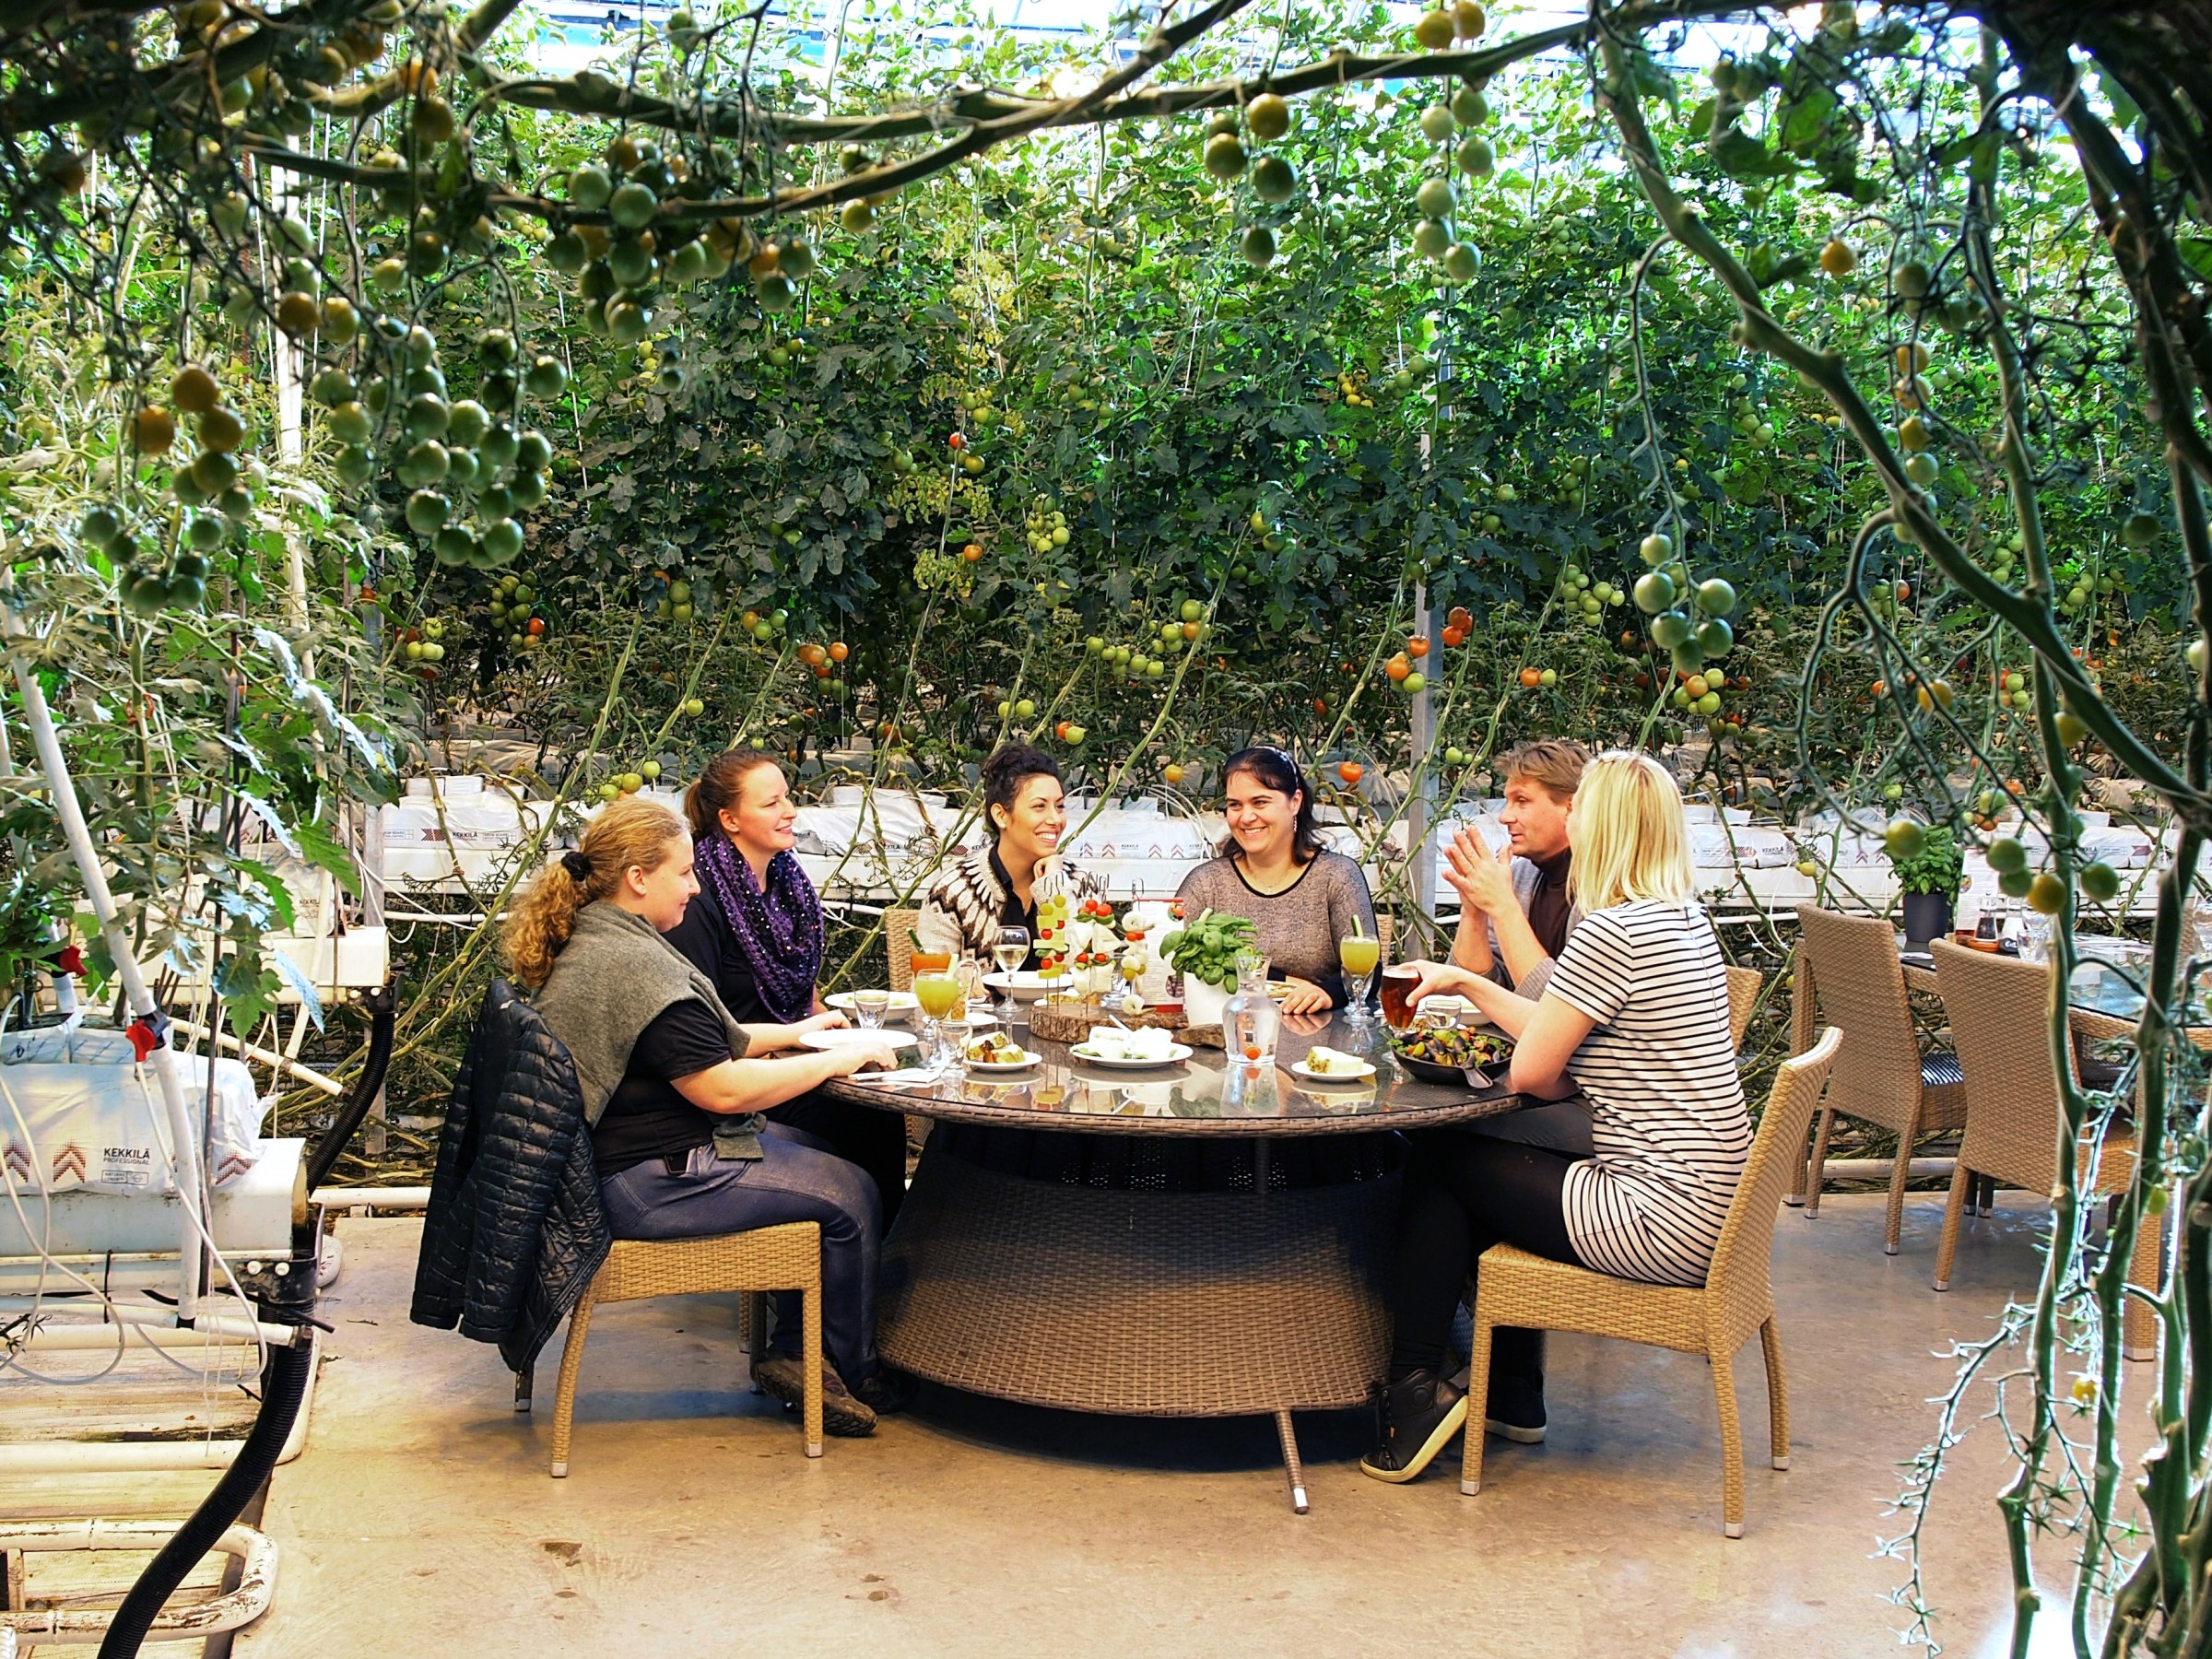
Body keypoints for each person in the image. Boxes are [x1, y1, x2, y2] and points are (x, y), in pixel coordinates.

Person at [1361, 751, 1750, 1484]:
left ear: (1601, 826)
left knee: (1441, 1163)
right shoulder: (1682, 921)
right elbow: (1557, 1018)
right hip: (1715, 1209)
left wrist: (1474, 974)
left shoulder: (1614, 931)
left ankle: (1413, 1393)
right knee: (1483, 1164)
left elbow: (1538, 1071)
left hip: (1657, 1218)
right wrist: (1471, 982)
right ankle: (1508, 1393)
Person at [504, 794, 912, 1438]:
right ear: (638, 878)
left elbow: (702, 1040)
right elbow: (723, 1090)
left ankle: (798, 1347)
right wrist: (837, 1061)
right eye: (685, 873)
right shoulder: (633, 964)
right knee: (851, 1191)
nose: (696, 888)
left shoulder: (604, 936)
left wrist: (803, 1034)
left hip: (627, 1158)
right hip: (639, 1182)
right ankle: (844, 1370)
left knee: (832, 1152)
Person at [664, 749, 912, 1226]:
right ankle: (858, 1254)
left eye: (788, 797)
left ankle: (891, 1245)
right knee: (862, 1120)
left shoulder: (786, 883)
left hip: (791, 1052)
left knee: (878, 1097)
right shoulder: (696, 900)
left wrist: (827, 1031)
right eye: (772, 803)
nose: (790, 811)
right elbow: (700, 1028)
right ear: (730, 819)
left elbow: (803, 987)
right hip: (737, 1076)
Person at [1446, 739, 1593, 1155]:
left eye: (1522, 801)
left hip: (1591, 1102)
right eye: (1507, 800)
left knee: (1440, 1140)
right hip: (1535, 1076)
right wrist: (1474, 911)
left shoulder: (1602, 893)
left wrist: (1503, 907)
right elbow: (1480, 991)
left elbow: (1554, 1019)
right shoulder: (1526, 874)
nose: (1506, 816)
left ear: (1572, 806)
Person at [1172, 746, 1375, 1014]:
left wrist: (1327, 994)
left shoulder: (1336, 876)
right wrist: (1283, 981)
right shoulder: (1207, 883)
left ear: (1295, 802)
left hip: (1318, 1037)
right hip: (1227, 1036)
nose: (1246, 817)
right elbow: (1173, 967)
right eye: (1235, 805)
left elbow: (1369, 972)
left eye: (1260, 802)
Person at [918, 742, 1103, 966]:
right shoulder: (954, 891)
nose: (1056, 820)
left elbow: (1091, 974)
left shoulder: (1080, 885)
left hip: (1058, 1003)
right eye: (1039, 807)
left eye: (1060, 806)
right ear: (1001, 815)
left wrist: (1054, 889)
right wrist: (964, 982)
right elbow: (927, 983)